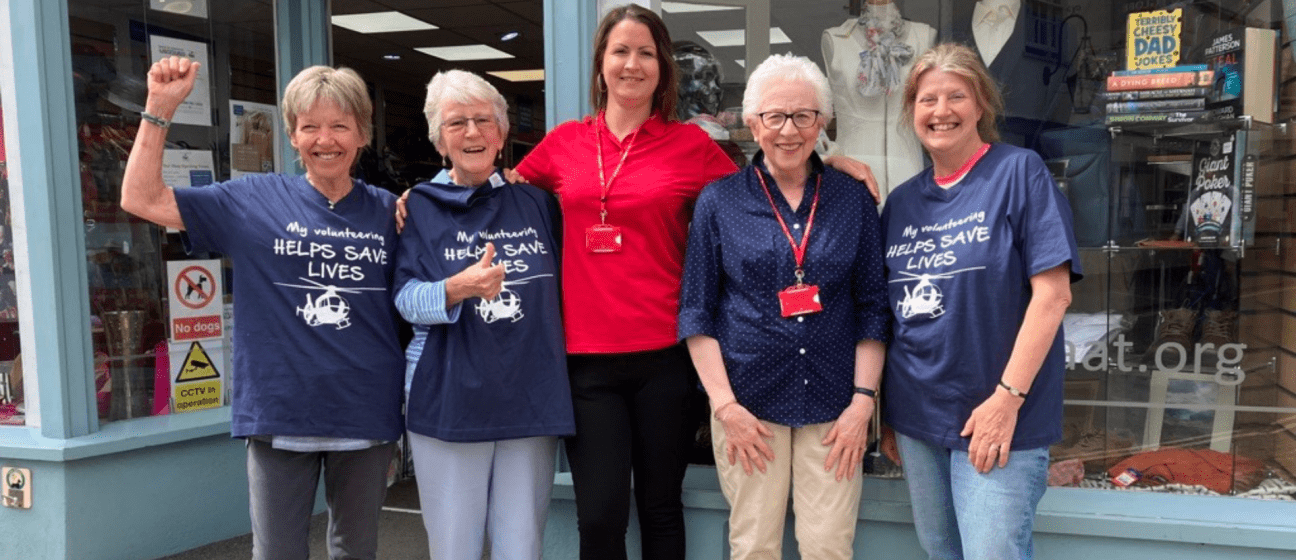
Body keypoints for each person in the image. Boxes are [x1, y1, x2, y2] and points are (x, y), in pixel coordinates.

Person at [120, 58, 404, 560]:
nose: (325, 139)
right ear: (292, 136)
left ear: (362, 133)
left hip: (365, 410)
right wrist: (159, 108)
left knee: (356, 550)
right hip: (279, 411)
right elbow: (141, 198)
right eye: (310, 126)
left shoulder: (390, 210)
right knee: (277, 552)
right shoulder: (250, 200)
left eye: (340, 125)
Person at [678, 53, 889, 559]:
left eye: (803, 116)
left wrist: (863, 403)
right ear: (752, 123)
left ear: (822, 122)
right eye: (774, 116)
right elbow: (696, 314)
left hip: (837, 409)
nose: (788, 131)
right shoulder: (719, 201)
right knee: (753, 545)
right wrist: (725, 408)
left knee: (828, 547)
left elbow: (873, 308)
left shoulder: (851, 198)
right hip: (748, 410)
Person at [878, 42, 1081, 560]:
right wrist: (888, 416)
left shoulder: (1019, 173)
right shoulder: (901, 202)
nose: (940, 111)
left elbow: (1053, 296)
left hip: (998, 419)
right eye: (927, 100)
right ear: (911, 111)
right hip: (918, 420)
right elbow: (888, 313)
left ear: (981, 106)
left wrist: (1006, 400)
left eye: (956, 96)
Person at [394, 69, 574, 560]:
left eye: (483, 120)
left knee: (522, 546)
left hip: (530, 396)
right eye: (456, 124)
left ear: (501, 132)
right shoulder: (417, 208)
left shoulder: (538, 203)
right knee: (455, 547)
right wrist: (456, 290)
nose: (472, 133)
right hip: (449, 395)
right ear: (439, 140)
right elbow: (404, 299)